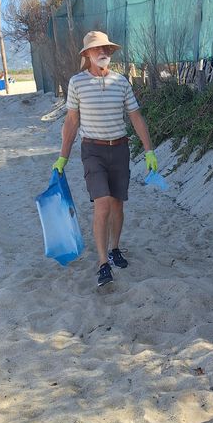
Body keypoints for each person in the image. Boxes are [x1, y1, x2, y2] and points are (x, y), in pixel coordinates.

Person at [52, 30, 157, 288]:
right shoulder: (77, 83)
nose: (104, 53)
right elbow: (72, 122)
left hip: (120, 149)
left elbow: (135, 117)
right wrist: (62, 157)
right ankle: (102, 263)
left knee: (118, 205)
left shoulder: (121, 82)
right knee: (103, 205)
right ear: (86, 54)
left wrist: (149, 150)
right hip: (93, 152)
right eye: (98, 49)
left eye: (107, 49)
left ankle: (115, 248)